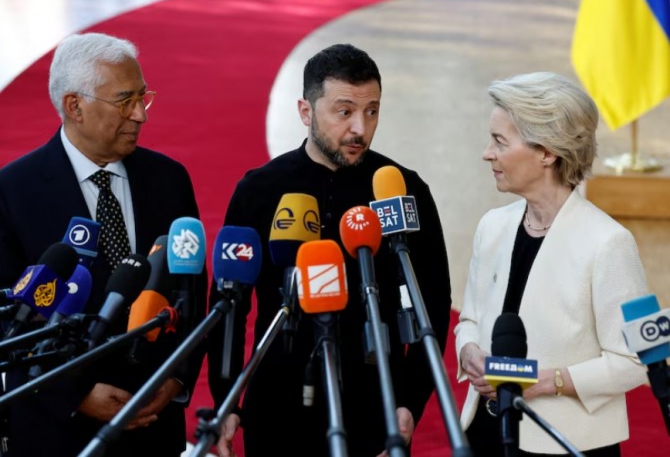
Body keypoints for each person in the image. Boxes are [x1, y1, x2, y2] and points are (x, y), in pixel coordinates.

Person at [207, 43, 452, 456]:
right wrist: (226, 399)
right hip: (279, 404)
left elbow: (433, 303)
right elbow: (229, 305)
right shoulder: (260, 189)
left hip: (375, 404)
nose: (360, 128)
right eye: (344, 111)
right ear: (306, 112)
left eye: (372, 111)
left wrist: (410, 400)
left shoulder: (402, 189)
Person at [0, 32, 207, 456]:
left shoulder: (169, 179)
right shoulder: (12, 191)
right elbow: (9, 319)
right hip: (58, 431)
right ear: (74, 106)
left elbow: (192, 290)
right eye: (125, 101)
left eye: (143, 98)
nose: (140, 115)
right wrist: (73, 394)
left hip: (153, 425)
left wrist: (175, 378)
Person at [454, 71, 649, 456]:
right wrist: (469, 352)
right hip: (485, 432)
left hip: (565, 443)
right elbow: (470, 320)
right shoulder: (492, 226)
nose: (487, 153)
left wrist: (545, 382)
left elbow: (635, 361)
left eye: (499, 141)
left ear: (546, 152)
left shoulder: (609, 243)